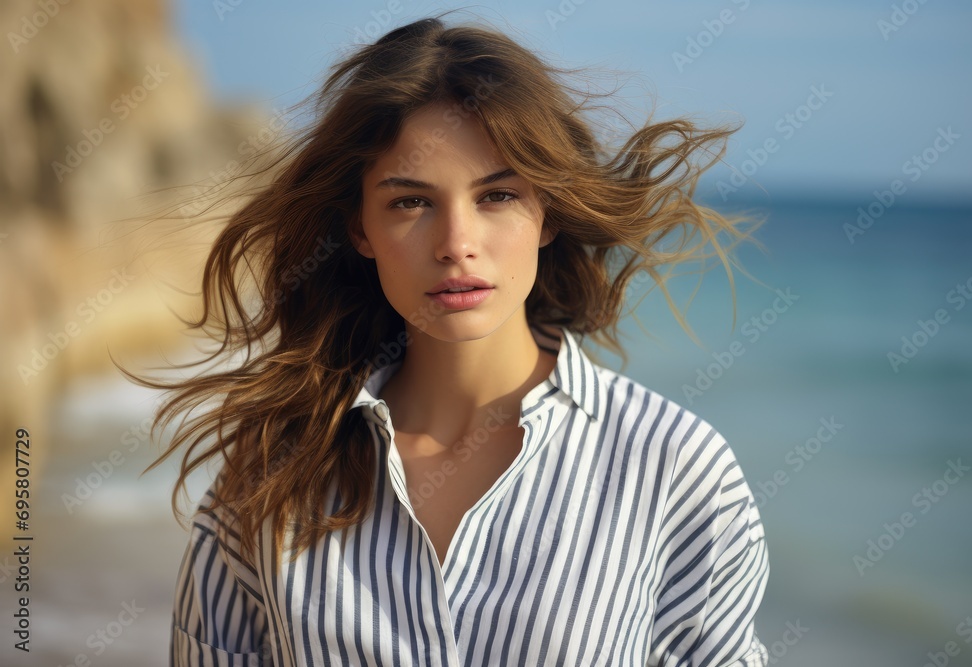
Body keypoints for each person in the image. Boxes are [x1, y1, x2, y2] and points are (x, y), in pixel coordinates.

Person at [137, 13, 770, 666]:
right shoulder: (272, 469)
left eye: (496, 195)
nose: (456, 244)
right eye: (411, 202)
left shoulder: (677, 470)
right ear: (360, 229)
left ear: (546, 212)